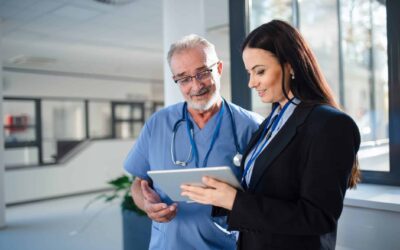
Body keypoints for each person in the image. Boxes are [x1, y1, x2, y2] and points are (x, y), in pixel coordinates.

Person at [181, 20, 361, 250]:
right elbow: (265, 192)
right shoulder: (272, 122)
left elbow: (318, 218)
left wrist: (234, 201)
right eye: (249, 73)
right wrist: (220, 196)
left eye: (260, 71)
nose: (251, 82)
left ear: (291, 66)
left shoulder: (330, 125)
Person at [123, 34, 262, 250]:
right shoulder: (158, 124)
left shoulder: (251, 127)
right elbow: (138, 183)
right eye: (184, 78)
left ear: (219, 69)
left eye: (203, 73)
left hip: (225, 244)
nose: (196, 86)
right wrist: (147, 204)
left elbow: (266, 199)